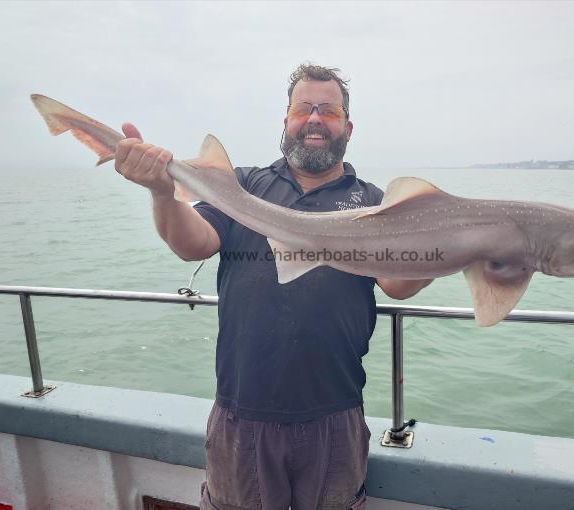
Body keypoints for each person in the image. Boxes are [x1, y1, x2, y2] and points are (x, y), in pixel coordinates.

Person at [115, 64, 432, 510]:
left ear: (348, 126)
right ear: (286, 121)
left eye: (329, 110)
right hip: (242, 410)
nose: (316, 119)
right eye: (304, 109)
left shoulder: (374, 204)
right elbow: (194, 243)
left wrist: (447, 251)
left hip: (334, 413)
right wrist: (162, 194)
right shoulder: (243, 186)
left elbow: (398, 283)